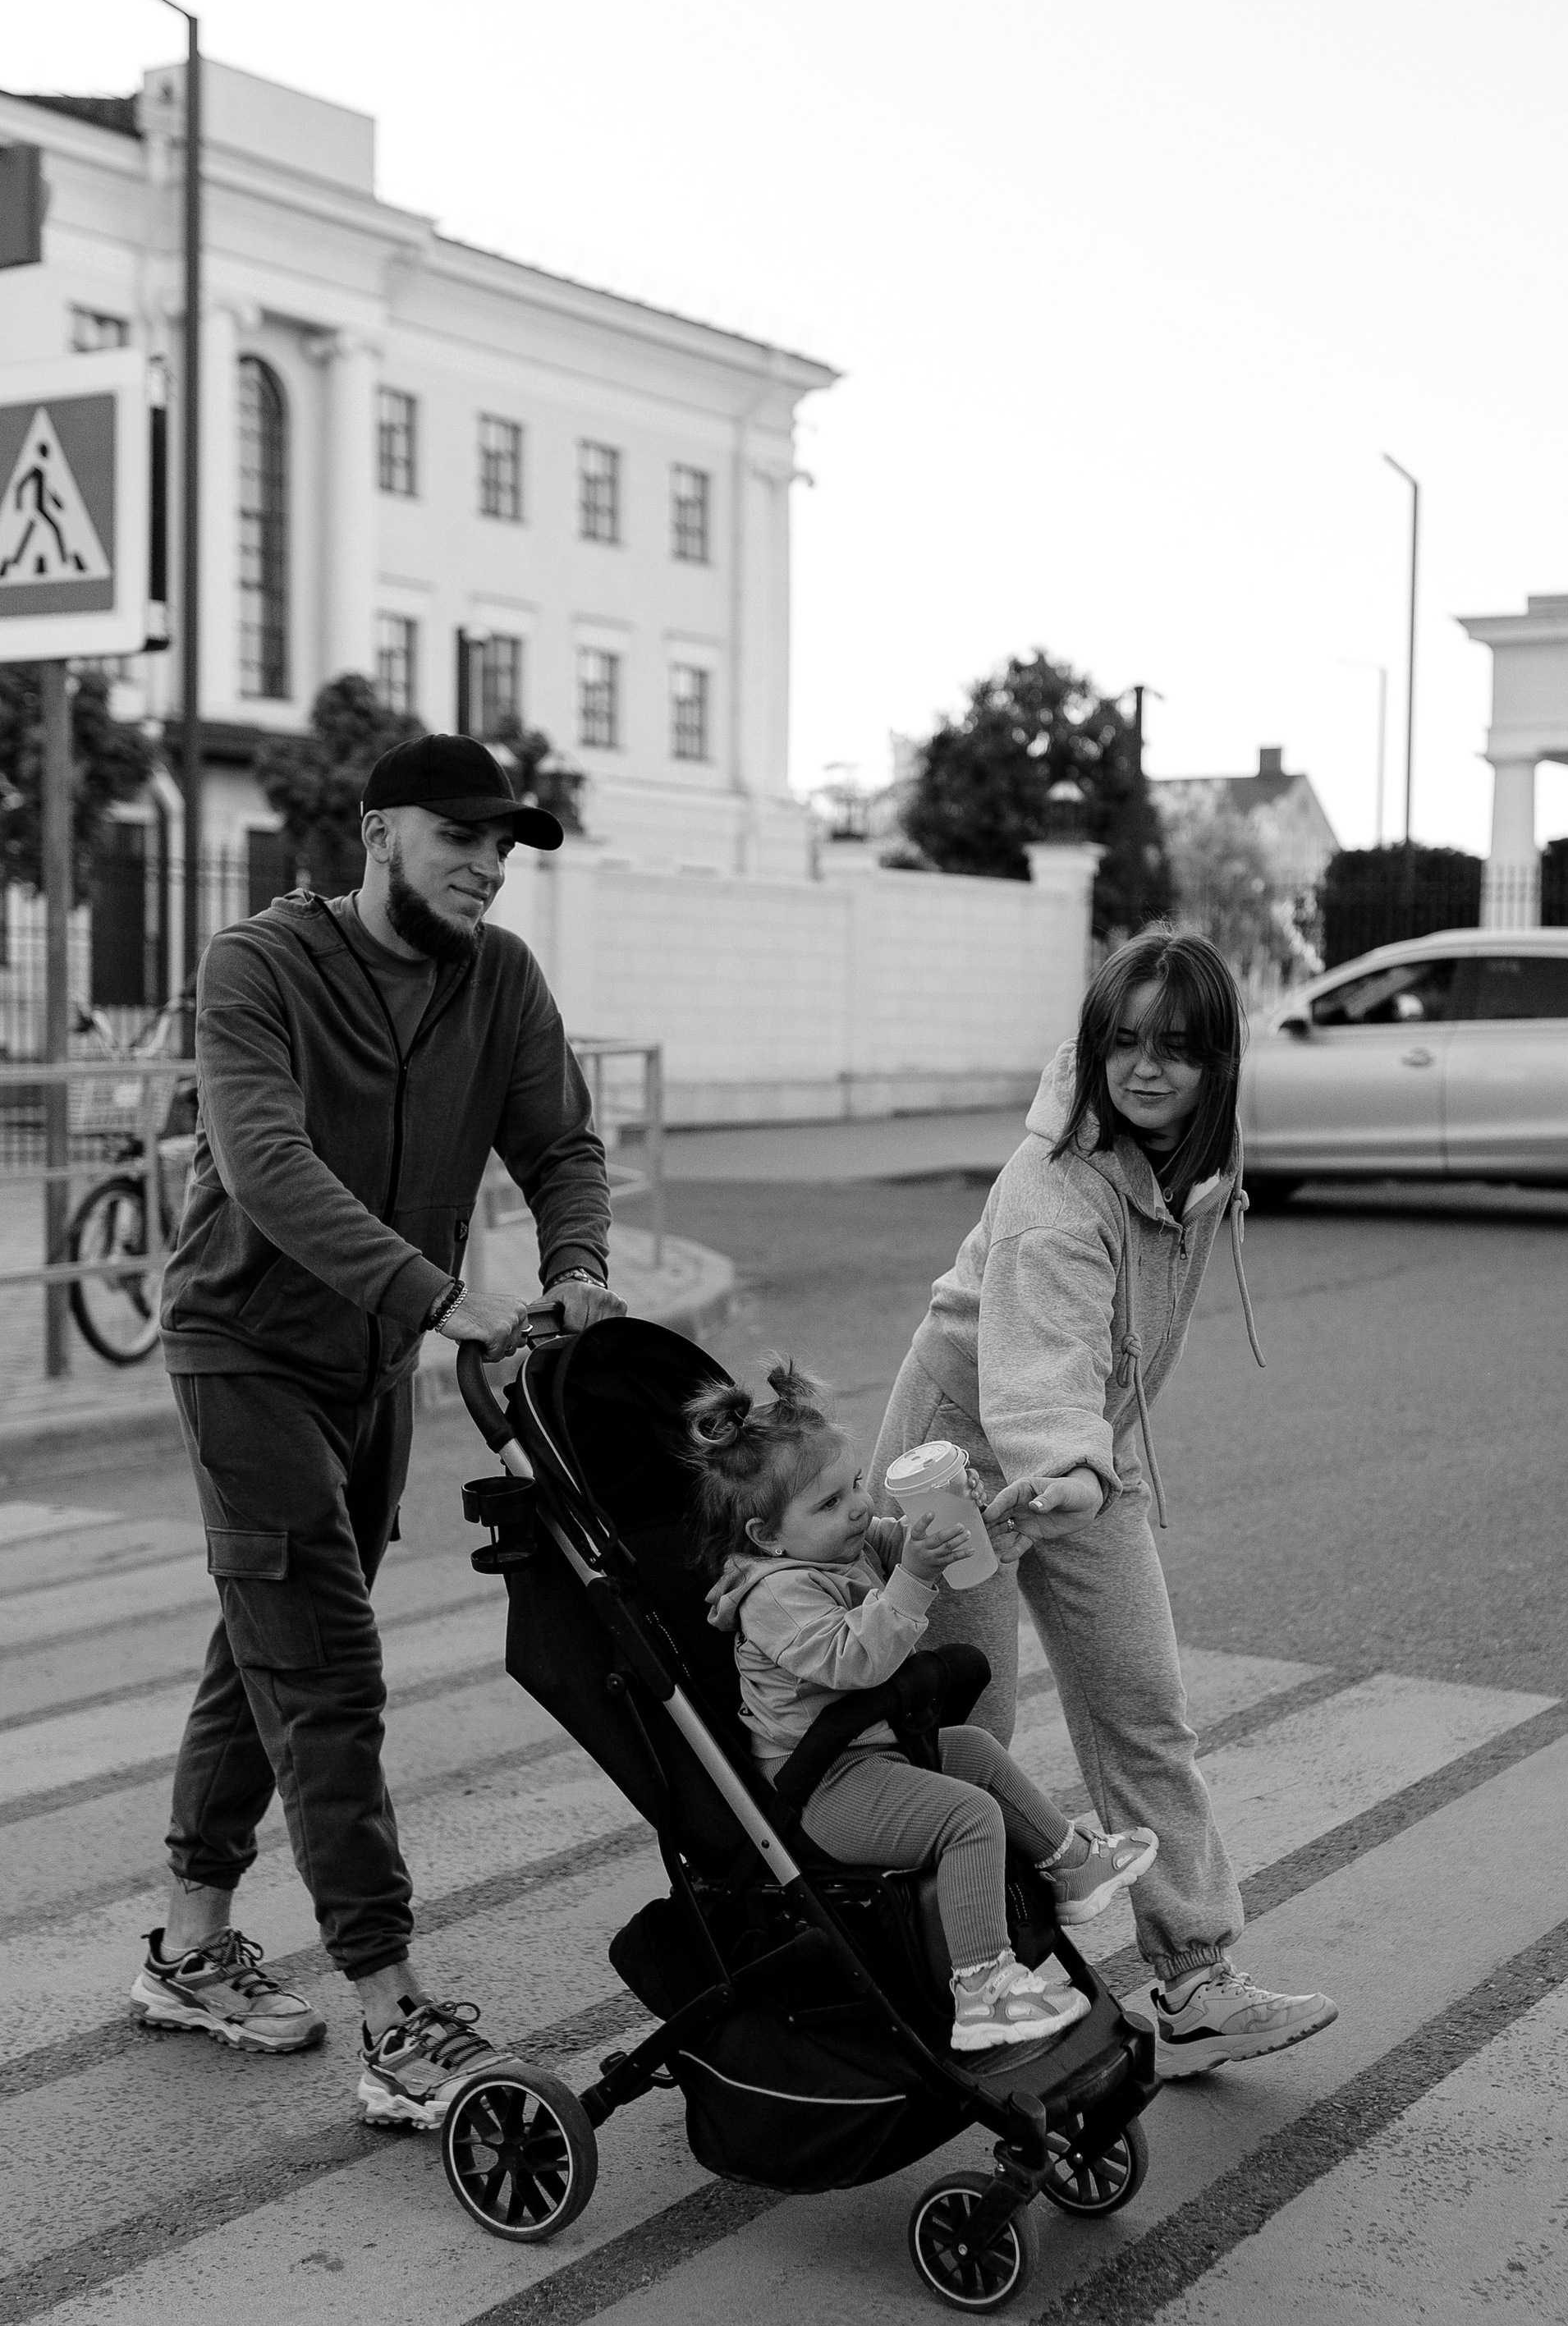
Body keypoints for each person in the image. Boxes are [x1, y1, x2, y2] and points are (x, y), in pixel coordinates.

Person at [131, 733, 626, 2126]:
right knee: (330, 1667)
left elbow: (561, 1150)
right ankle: (393, 2012)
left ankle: (186, 1942)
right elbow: (266, 1168)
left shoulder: (502, 981)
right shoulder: (258, 969)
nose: (486, 866)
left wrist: (578, 1271)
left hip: (370, 1363)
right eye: (459, 837)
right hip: (245, 1351)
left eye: (505, 846)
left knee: (270, 1630)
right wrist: (449, 1300)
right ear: (377, 834)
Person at [869, 927, 1339, 2080]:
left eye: (1176, 1049)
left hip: (1086, 1456)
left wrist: (1089, 1464)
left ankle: (1194, 1980)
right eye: (1123, 1043)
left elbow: (1085, 1369)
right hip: (965, 1470)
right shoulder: (1051, 1191)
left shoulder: (1192, 1166)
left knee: (1143, 1704)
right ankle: (961, 1974)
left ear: (1217, 1062)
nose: (1145, 1069)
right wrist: (1074, 1463)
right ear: (1093, 1048)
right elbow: (1037, 1363)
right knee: (967, 1732)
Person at [690, 1365, 1159, 2052]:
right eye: (828, 1505)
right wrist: (913, 1576)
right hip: (820, 1785)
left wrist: (951, 1510)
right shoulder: (776, 1596)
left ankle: (1071, 1863)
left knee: (970, 1748)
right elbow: (855, 1661)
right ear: (765, 1536)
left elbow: (905, 1542)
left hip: (865, 1757)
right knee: (967, 1818)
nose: (855, 1507)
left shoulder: (838, 1549)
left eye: (853, 1486)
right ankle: (984, 1992)